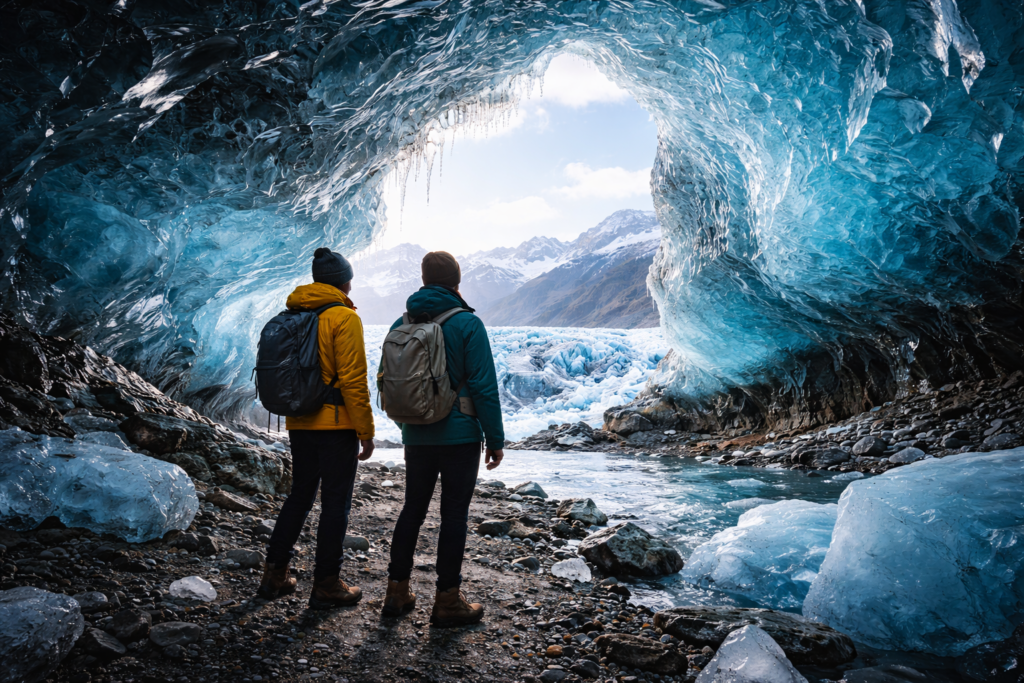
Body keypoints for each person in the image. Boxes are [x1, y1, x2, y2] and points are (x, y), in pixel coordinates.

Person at [382, 251, 505, 627]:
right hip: (459, 437)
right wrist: (495, 439)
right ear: (457, 282)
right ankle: (447, 600)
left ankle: (397, 592)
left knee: (412, 510)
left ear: (423, 281)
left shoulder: (401, 322)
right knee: (453, 516)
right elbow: (484, 386)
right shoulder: (467, 324)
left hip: (416, 433)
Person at [257, 248, 376, 609]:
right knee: (335, 503)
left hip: (299, 420)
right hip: (335, 425)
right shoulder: (343, 317)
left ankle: (275, 574)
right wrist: (365, 431)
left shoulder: (294, 314)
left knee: (300, 495)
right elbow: (354, 380)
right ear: (345, 281)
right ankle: (327, 583)